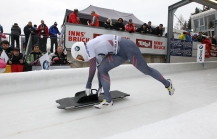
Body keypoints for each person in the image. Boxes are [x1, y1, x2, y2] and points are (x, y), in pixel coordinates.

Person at [71, 34, 175, 109]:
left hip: (128, 47)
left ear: (80, 49)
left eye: (79, 57)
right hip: (118, 53)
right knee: (103, 68)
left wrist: (88, 85)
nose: (81, 59)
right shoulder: (92, 50)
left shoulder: (89, 46)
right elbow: (98, 70)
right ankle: (108, 100)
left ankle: (167, 83)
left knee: (146, 70)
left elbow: (92, 68)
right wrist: (99, 87)